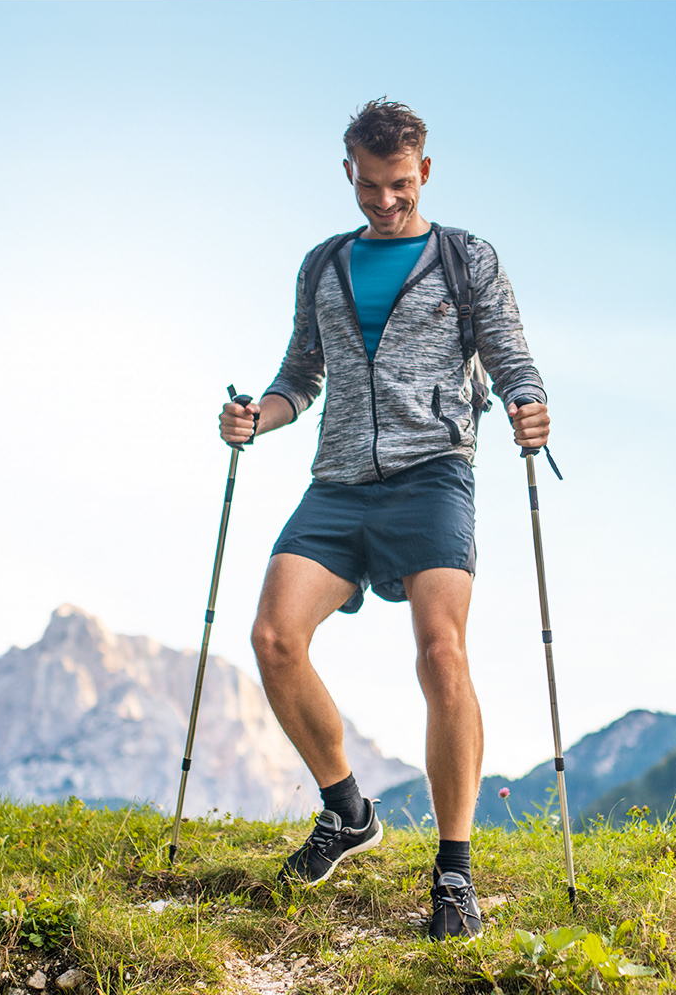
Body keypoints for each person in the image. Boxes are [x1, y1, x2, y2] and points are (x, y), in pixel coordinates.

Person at [219, 99, 549, 941]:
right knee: (273, 638)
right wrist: (262, 415)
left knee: (442, 654)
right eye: (369, 186)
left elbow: (510, 355)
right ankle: (346, 811)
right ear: (349, 174)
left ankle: (454, 870)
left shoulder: (464, 258)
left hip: (434, 475)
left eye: (399, 185)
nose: (384, 202)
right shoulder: (323, 266)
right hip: (337, 484)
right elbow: (302, 373)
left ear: (424, 173)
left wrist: (528, 400)